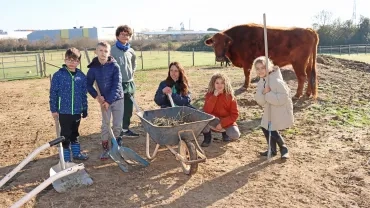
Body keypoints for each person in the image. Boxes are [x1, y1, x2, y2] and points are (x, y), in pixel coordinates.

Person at [86, 41, 124, 160]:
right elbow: (88, 84)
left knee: (117, 124)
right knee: (105, 124)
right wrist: (97, 97)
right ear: (96, 52)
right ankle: (106, 147)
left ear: (109, 53)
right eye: (100, 51)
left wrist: (108, 101)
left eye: (106, 51)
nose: (103, 53)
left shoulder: (114, 66)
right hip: (103, 101)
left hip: (117, 99)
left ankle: (116, 145)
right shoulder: (93, 68)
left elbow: (116, 85)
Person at [49, 47, 88, 162]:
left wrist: (84, 108)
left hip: (76, 111)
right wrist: (54, 109)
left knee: (75, 133)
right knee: (65, 135)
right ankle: (66, 158)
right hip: (64, 111)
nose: (72, 62)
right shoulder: (58, 75)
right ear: (65, 60)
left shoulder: (81, 76)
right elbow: (53, 94)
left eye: (75, 60)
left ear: (78, 62)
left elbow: (83, 94)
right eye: (69, 60)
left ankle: (76, 153)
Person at [252, 56, 293, 159]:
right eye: (257, 68)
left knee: (271, 128)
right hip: (270, 109)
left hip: (280, 109)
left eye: (263, 68)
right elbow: (260, 100)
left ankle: (284, 149)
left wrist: (268, 94)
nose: (260, 71)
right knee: (265, 127)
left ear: (269, 67)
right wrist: (263, 94)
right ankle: (272, 149)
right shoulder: (262, 81)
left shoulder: (276, 81)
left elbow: (284, 98)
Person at [110, 25, 139, 138]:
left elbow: (134, 63)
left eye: (127, 35)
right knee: (118, 108)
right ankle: (118, 131)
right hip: (118, 84)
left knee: (128, 108)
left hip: (130, 83)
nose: (125, 36)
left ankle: (125, 129)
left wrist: (132, 73)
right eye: (122, 34)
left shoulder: (131, 50)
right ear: (117, 36)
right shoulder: (112, 50)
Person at [201, 72, 240, 147]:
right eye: (217, 83)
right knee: (202, 117)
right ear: (213, 84)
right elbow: (206, 111)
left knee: (235, 135)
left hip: (226, 121)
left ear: (226, 84)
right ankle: (207, 137)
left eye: (222, 83)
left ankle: (225, 133)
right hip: (213, 120)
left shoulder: (230, 97)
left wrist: (222, 124)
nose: (219, 85)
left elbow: (234, 115)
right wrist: (214, 97)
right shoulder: (209, 95)